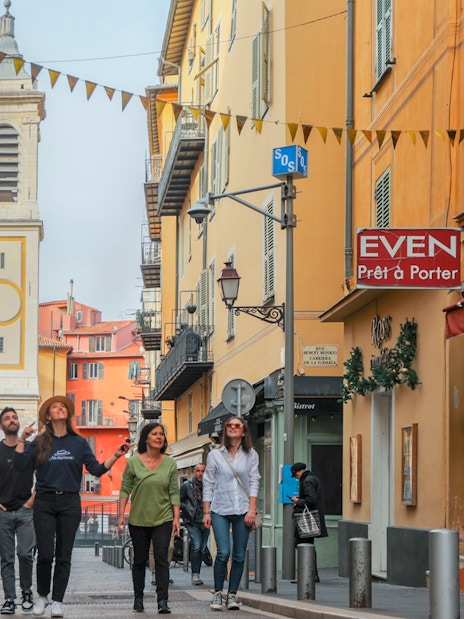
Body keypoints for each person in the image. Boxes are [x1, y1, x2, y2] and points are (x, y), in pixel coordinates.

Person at [14, 396, 129, 618]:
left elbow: (95, 469)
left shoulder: (78, 442)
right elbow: (19, 465)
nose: (60, 408)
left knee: (64, 554)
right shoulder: (40, 442)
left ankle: (57, 601)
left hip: (69, 502)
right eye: (55, 407)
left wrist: (116, 455)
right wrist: (22, 439)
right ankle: (43, 596)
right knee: (45, 554)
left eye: (63, 406)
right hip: (45, 501)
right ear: (48, 416)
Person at [117, 422, 180, 615]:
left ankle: (163, 600)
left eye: (161, 434)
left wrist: (176, 518)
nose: (159, 437)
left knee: (162, 559)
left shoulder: (170, 463)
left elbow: (174, 492)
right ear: (146, 438)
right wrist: (120, 515)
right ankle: (138, 598)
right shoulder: (133, 462)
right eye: (154, 434)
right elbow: (125, 489)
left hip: (163, 518)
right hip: (138, 519)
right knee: (139, 560)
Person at [203, 416, 260, 612]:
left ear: (243, 431)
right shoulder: (215, 455)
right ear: (225, 430)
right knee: (223, 553)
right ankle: (218, 593)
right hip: (220, 509)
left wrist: (252, 509)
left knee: (238, 555)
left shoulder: (251, 454)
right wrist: (206, 511)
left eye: (238, 425)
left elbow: (254, 481)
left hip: (243, 509)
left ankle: (233, 594)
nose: (233, 428)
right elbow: (208, 482)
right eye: (230, 425)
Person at [0, 407, 35, 615]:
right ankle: (10, 599)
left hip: (26, 510)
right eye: (7, 418)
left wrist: (32, 500)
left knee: (25, 553)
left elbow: (43, 475)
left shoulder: (30, 449)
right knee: (6, 558)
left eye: (14, 417)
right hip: (3, 512)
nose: (12, 421)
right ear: (2, 425)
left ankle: (27, 593)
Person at [290, 462, 328, 583]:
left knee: (302, 544)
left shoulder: (307, 481)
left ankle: (309, 574)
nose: (296, 477)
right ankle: (311, 574)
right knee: (307, 545)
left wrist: (297, 501)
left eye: (295, 474)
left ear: (299, 471)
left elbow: (310, 500)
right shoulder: (313, 478)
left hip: (307, 519)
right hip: (312, 518)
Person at [180, 463, 210, 585]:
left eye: (203, 471)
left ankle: (197, 570)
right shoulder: (187, 486)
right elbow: (178, 500)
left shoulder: (209, 486)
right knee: (197, 546)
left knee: (202, 548)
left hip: (206, 520)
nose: (200, 473)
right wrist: (187, 508)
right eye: (198, 471)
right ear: (194, 471)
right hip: (192, 521)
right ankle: (195, 575)